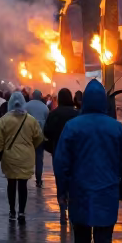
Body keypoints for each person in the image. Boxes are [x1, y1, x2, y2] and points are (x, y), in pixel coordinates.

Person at [53, 78, 122, 243]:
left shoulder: (73, 127)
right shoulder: (116, 128)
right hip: (107, 191)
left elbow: (61, 162)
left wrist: (62, 190)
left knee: (81, 240)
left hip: (80, 191)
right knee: (104, 241)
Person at [0, 92, 44, 223]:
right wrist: (30, 146)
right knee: (23, 185)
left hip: (9, 156)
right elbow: (39, 137)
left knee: (11, 183)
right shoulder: (31, 120)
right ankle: (21, 212)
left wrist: (0, 150)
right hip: (26, 157)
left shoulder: (4, 120)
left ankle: (12, 211)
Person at [44, 88, 79, 224]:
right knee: (73, 181)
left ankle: (62, 210)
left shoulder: (54, 114)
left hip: (58, 152)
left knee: (60, 181)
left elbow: (46, 132)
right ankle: (73, 209)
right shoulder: (77, 114)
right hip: (75, 154)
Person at [25, 89, 49, 187]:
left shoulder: (26, 106)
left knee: (26, 157)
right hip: (40, 136)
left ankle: (24, 177)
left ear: (32, 95)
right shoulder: (45, 107)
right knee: (39, 158)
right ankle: (38, 179)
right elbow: (47, 121)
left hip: (28, 136)